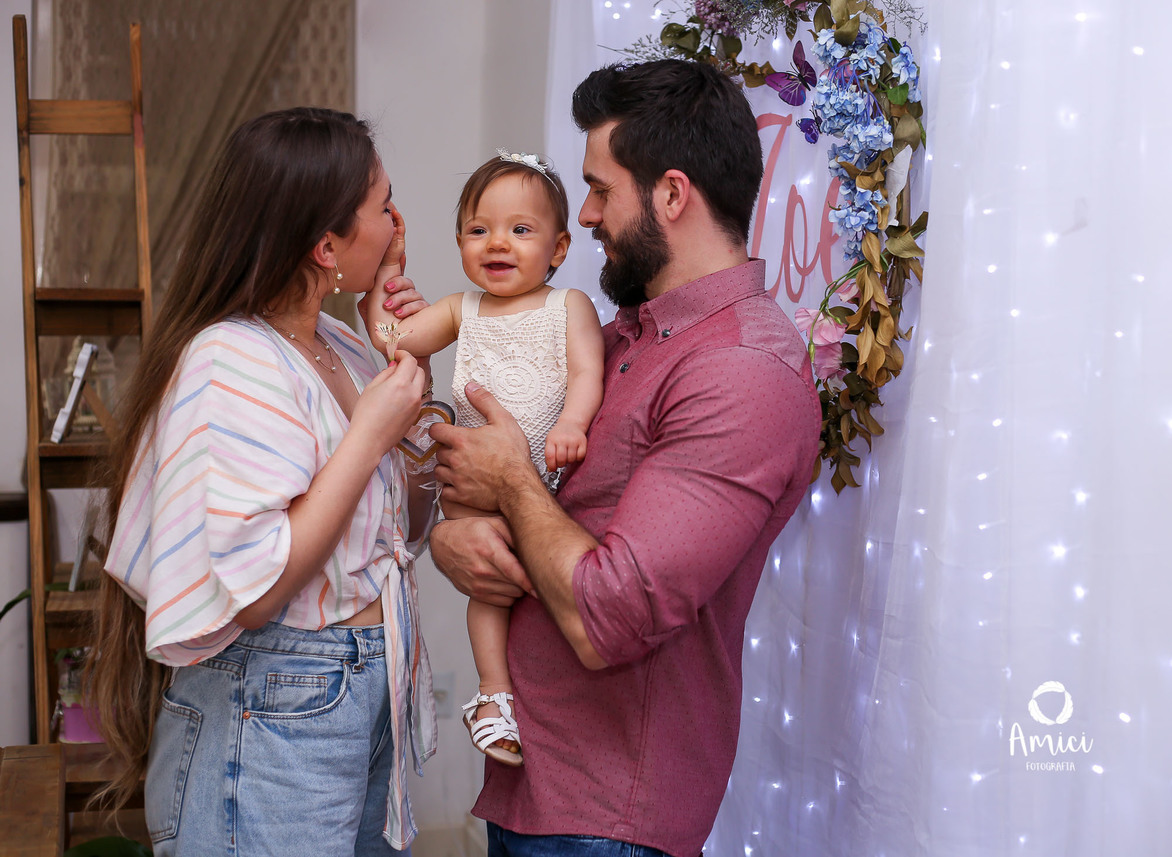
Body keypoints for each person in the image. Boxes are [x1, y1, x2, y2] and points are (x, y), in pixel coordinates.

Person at [426, 60, 822, 857]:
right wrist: (451, 534)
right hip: (538, 785)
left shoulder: (741, 371)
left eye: (602, 190)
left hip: (609, 816)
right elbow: (514, 473)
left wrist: (507, 478)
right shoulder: (625, 337)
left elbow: (613, 615)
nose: (590, 214)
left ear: (672, 195)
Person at [85, 107, 437, 856]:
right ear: (325, 244)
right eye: (383, 205)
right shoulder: (233, 358)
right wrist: (373, 428)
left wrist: (406, 376)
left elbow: (405, 527)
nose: (398, 222)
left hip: (360, 693)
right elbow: (256, 588)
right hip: (279, 698)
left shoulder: (342, 346)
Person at [365, 151, 604, 766]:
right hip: (472, 493)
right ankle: (493, 695)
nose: (498, 242)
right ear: (460, 242)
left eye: (520, 230)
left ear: (557, 248)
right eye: (479, 230)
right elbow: (395, 341)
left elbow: (586, 371)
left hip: (546, 478)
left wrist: (574, 422)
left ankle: (533, 701)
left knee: (550, 586)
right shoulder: (458, 310)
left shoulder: (568, 305)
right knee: (490, 590)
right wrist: (384, 281)